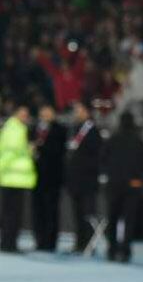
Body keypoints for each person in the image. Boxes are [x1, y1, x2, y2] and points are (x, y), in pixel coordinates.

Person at [103, 111, 143, 262]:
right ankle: (125, 252)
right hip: (133, 185)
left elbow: (103, 158)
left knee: (113, 217)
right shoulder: (139, 141)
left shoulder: (112, 139)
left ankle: (111, 250)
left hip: (114, 184)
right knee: (129, 220)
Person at [65, 101, 102, 254]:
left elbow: (97, 156)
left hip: (87, 181)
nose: (76, 113)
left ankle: (88, 245)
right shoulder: (75, 129)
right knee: (77, 213)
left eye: (79, 110)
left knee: (87, 213)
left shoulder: (93, 131)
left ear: (87, 112)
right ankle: (79, 243)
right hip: (75, 180)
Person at [32, 104, 68, 251]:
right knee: (37, 209)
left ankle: (50, 242)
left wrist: (39, 147)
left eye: (48, 112)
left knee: (51, 210)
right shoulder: (35, 129)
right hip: (36, 176)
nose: (45, 114)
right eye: (43, 112)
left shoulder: (60, 129)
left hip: (53, 177)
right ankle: (39, 240)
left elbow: (57, 151)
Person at [0, 105, 36, 253]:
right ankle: (10, 244)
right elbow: (12, 151)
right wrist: (29, 150)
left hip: (9, 177)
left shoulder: (10, 127)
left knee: (8, 212)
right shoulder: (17, 129)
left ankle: (7, 242)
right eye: (23, 113)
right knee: (13, 213)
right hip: (14, 177)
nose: (25, 116)